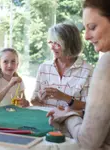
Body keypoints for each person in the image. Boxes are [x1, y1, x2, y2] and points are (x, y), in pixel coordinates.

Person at [47, 0, 110, 149]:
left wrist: (68, 116)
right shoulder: (45, 67)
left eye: (93, 27)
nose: (86, 36)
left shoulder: (106, 62)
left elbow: (88, 142)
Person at [31, 23, 93, 110]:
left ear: (69, 45)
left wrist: (64, 97)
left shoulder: (87, 71)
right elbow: (34, 102)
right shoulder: (44, 67)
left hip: (72, 122)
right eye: (51, 42)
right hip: (44, 120)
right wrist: (37, 99)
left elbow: (87, 107)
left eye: (56, 43)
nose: (52, 47)